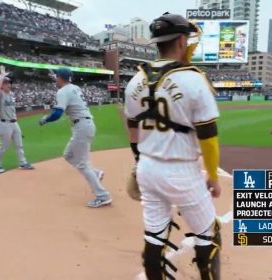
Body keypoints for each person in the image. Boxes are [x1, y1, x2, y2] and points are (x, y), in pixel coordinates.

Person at [124, 13, 222, 280]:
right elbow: (208, 136)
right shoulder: (193, 79)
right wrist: (213, 176)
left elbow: (132, 129)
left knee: (154, 234)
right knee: (208, 234)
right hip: (182, 172)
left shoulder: (135, 81)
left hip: (147, 168)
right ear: (181, 40)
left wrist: (137, 161)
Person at [39, 68, 112, 208]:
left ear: (60, 78)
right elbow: (64, 87)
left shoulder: (62, 92)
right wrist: (54, 76)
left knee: (82, 164)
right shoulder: (75, 88)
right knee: (68, 155)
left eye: (57, 77)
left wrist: (45, 119)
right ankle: (96, 174)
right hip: (85, 125)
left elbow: (57, 114)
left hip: (82, 127)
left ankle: (103, 196)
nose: (56, 79)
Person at [0, 66, 34, 173]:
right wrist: (1, 76)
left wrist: (16, 123)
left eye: (9, 83)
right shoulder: (0, 95)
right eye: (6, 83)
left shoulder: (11, 95)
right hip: (4, 124)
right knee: (4, 146)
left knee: (19, 145)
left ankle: (23, 162)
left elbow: (12, 110)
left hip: (14, 123)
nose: (9, 85)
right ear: (2, 85)